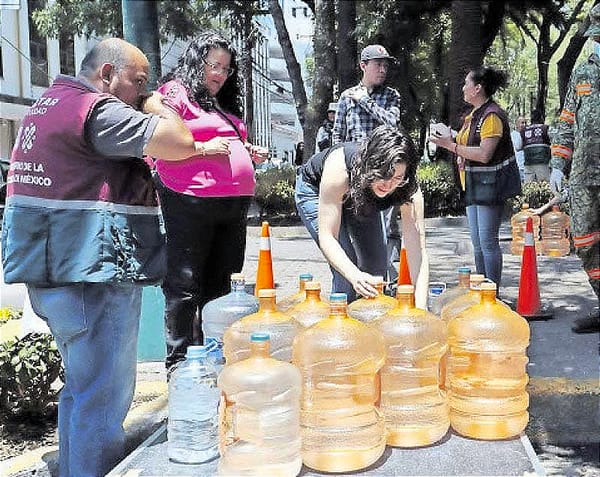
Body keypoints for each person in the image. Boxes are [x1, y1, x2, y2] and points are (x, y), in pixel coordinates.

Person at [1, 38, 203, 477]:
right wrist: (155, 103)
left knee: (81, 389)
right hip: (91, 275)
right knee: (104, 399)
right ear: (107, 75)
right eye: (138, 82)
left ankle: (75, 469)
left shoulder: (48, 105)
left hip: (55, 272)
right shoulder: (98, 110)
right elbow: (180, 141)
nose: (141, 92)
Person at [152, 31, 268, 370]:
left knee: (223, 286)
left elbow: (223, 142)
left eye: (225, 68)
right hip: (190, 198)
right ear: (195, 61)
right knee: (186, 284)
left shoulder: (220, 104)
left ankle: (214, 359)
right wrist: (201, 149)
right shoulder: (175, 93)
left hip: (232, 204)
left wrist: (247, 153)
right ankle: (180, 366)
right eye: (212, 65)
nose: (219, 74)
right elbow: (158, 132)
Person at [295, 125, 429, 307]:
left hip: (364, 196)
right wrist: (355, 276)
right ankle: (341, 327)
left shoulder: (408, 188)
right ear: (371, 164)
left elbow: (417, 253)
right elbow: (328, 237)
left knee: (376, 273)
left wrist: (421, 310)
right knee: (347, 273)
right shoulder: (339, 168)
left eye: (397, 178)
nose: (389, 185)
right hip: (316, 190)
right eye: (384, 175)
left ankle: (368, 328)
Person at [430, 66, 521, 292]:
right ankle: (483, 289)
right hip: (473, 186)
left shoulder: (491, 116)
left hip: (489, 188)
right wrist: (453, 142)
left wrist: (450, 146)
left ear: (477, 88)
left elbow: (484, 154)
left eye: (466, 83)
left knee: (488, 243)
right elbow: (467, 146)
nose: (463, 88)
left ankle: (493, 292)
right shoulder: (474, 116)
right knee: (478, 245)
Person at [332, 44, 404, 286]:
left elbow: (392, 123)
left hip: (384, 174)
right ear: (364, 66)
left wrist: (366, 103)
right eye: (377, 64)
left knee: (385, 229)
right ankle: (361, 280)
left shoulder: (391, 95)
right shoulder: (346, 97)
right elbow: (337, 137)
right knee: (358, 229)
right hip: (355, 174)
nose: (383, 69)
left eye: (386, 65)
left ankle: (386, 281)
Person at [550, 3, 600, 334]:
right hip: (584, 173)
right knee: (584, 239)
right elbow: (566, 121)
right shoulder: (583, 72)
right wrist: (557, 165)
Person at [522, 109, 551, 183]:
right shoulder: (545, 128)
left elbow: (518, 146)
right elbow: (553, 142)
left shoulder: (524, 130)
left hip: (528, 163)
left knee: (529, 187)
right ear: (541, 118)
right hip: (543, 162)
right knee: (544, 186)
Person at [511, 116, 527, 182]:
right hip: (518, 167)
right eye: (522, 123)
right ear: (517, 124)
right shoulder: (513, 135)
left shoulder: (527, 134)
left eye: (525, 123)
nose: (524, 125)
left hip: (527, 167)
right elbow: (518, 147)